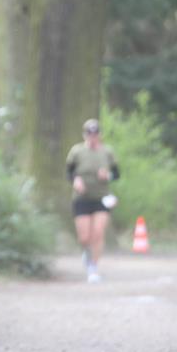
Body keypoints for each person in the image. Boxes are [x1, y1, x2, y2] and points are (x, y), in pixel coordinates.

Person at [66, 118, 119, 283]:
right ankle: (87, 253)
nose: (92, 137)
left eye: (95, 133)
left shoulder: (107, 152)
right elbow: (69, 172)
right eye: (89, 133)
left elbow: (117, 174)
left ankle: (93, 268)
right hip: (82, 198)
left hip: (101, 198)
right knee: (84, 237)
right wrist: (76, 181)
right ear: (84, 135)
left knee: (98, 232)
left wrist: (108, 176)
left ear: (100, 135)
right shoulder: (76, 151)